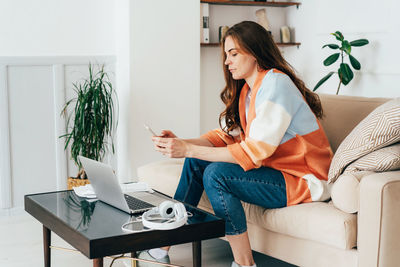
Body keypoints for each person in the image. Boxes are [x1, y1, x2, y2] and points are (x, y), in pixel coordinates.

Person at [138, 21, 333, 267]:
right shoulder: (247, 92)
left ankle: (244, 264)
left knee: (217, 175)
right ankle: (158, 250)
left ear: (254, 52)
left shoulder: (276, 84)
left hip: (304, 179)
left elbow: (253, 153)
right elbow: (224, 137)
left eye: (234, 54)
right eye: (226, 55)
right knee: (197, 160)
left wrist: (186, 148)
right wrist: (180, 143)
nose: (227, 61)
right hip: (276, 173)